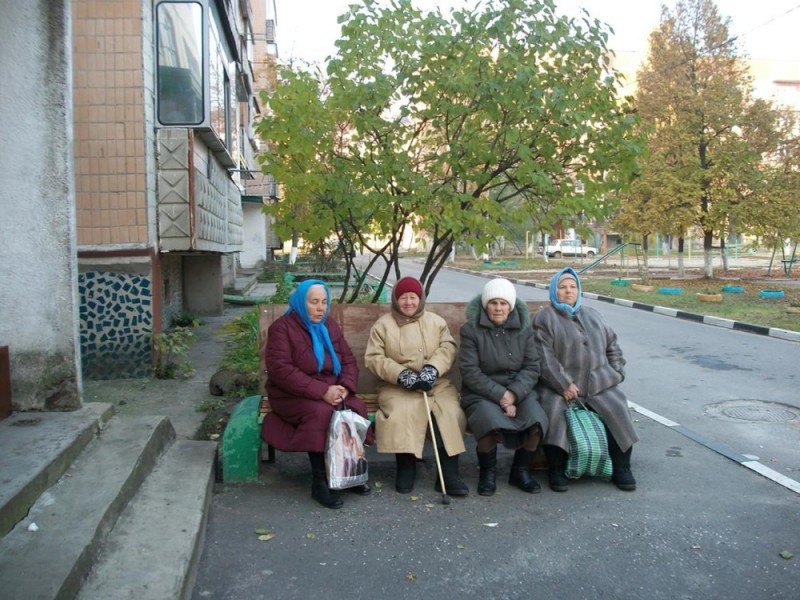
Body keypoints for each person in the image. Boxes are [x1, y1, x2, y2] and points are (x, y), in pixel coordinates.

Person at [261, 279, 373, 509]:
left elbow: (349, 359)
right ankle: (320, 482)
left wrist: (345, 387)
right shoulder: (281, 329)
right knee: (321, 414)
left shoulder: (328, 325)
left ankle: (349, 473)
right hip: (291, 395)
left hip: (332, 388)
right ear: (302, 303)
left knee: (356, 407)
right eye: (314, 302)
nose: (321, 308)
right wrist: (322, 391)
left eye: (324, 302)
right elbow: (281, 371)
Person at [532, 267, 638, 492]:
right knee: (553, 411)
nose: (568, 291)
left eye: (573, 287)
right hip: (560, 386)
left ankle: (622, 468)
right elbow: (544, 357)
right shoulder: (545, 318)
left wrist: (616, 372)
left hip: (601, 384)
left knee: (618, 406)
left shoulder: (593, 315)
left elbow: (613, 347)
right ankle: (557, 470)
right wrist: (563, 384)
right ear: (554, 291)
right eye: (562, 287)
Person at [364, 276, 469, 496]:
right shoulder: (383, 325)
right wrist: (403, 375)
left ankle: (448, 472)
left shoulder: (435, 322)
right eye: (403, 297)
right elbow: (375, 358)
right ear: (396, 299)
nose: (409, 302)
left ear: (420, 299)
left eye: (413, 297)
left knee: (449, 412)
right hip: (397, 386)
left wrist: (432, 369)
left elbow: (447, 348)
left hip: (435, 384)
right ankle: (406, 466)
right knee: (403, 412)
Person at [459, 278, 549, 496]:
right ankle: (487, 474)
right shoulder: (471, 331)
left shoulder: (524, 330)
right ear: (485, 305)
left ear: (511, 305)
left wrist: (514, 394)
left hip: (519, 391)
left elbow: (532, 366)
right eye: (493, 303)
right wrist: (501, 396)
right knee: (488, 421)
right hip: (481, 393)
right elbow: (470, 372)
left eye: (503, 303)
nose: (498, 308)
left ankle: (520, 471)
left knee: (536, 420)